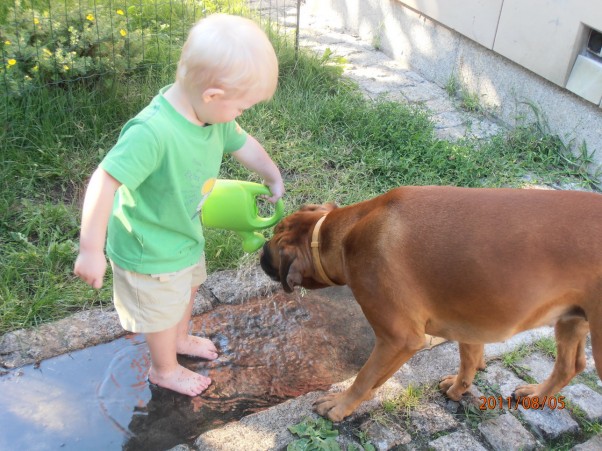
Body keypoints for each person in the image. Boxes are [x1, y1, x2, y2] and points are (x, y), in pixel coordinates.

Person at [74, 13, 284, 397]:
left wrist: (271, 174)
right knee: (159, 312)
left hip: (183, 233)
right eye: (241, 108)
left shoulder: (213, 117)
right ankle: (164, 368)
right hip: (149, 247)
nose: (241, 116)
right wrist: (90, 250)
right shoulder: (152, 132)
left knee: (187, 288)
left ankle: (181, 339)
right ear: (213, 95)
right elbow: (104, 181)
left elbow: (244, 144)